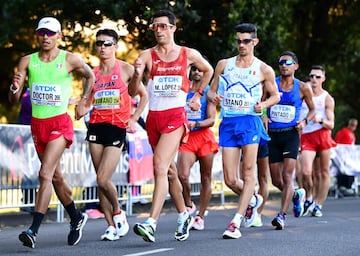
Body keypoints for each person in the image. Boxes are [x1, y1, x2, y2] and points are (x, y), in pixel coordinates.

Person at [8, 17, 95, 248]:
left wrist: (84, 101)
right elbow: (14, 99)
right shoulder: (27, 61)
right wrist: (14, 88)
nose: (46, 37)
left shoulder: (70, 59)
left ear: (58, 36)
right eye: (42, 33)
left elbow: (90, 76)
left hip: (59, 124)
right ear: (37, 35)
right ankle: (76, 218)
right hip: (38, 125)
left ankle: (33, 230)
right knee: (55, 177)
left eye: (50, 33)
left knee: (45, 174)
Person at [129, 10, 214, 242]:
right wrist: (137, 76)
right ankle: (183, 213)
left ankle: (151, 222)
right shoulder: (146, 55)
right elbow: (131, 91)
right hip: (154, 119)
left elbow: (209, 70)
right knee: (169, 170)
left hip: (176, 117)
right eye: (155, 26)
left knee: (158, 165)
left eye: (163, 26)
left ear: (173, 28)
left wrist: (197, 96)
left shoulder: (188, 54)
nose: (159, 30)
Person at [207, 23, 280, 239]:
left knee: (249, 173)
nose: (241, 44)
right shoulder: (223, 65)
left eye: (246, 41)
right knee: (230, 179)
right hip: (228, 122)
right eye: (238, 40)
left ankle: (235, 222)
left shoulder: (264, 69)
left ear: (255, 42)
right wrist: (215, 98)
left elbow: (275, 96)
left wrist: (264, 106)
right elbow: (210, 93)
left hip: (250, 122)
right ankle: (254, 199)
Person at [86, 28, 148, 241]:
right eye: (99, 43)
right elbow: (87, 101)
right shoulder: (92, 74)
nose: (103, 47)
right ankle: (111, 226)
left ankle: (118, 211)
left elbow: (144, 95)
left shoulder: (125, 69)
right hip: (95, 127)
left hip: (116, 127)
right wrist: (79, 106)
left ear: (115, 46)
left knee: (104, 178)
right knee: (100, 180)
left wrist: (133, 118)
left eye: (107, 43)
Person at [264, 51, 315, 230]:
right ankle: (295, 195)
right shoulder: (272, 84)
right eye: (281, 62)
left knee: (287, 176)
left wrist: (305, 121)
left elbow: (312, 109)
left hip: (291, 135)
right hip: (273, 135)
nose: (284, 65)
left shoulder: (303, 87)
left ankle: (281, 216)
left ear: (296, 66)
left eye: (288, 62)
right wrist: (264, 116)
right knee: (276, 180)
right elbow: (261, 102)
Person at [177, 63, 219, 230]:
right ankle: (188, 204)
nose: (196, 72)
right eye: (194, 69)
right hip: (187, 138)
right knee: (182, 175)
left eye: (200, 70)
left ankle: (200, 216)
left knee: (206, 177)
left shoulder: (208, 92)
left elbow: (212, 120)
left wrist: (196, 124)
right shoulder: (183, 90)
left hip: (203, 137)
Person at [300, 65, 336, 217]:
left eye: (317, 77)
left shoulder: (327, 98)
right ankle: (309, 197)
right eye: (311, 76)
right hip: (307, 136)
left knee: (323, 172)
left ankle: (318, 204)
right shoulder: (303, 93)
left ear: (323, 79)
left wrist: (320, 120)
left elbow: (331, 124)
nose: (314, 79)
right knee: (306, 171)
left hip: (323, 135)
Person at [335, 118, 358, 196]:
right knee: (343, 170)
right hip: (343, 156)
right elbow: (337, 143)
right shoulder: (344, 132)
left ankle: (348, 186)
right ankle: (343, 186)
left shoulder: (352, 134)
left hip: (349, 157)